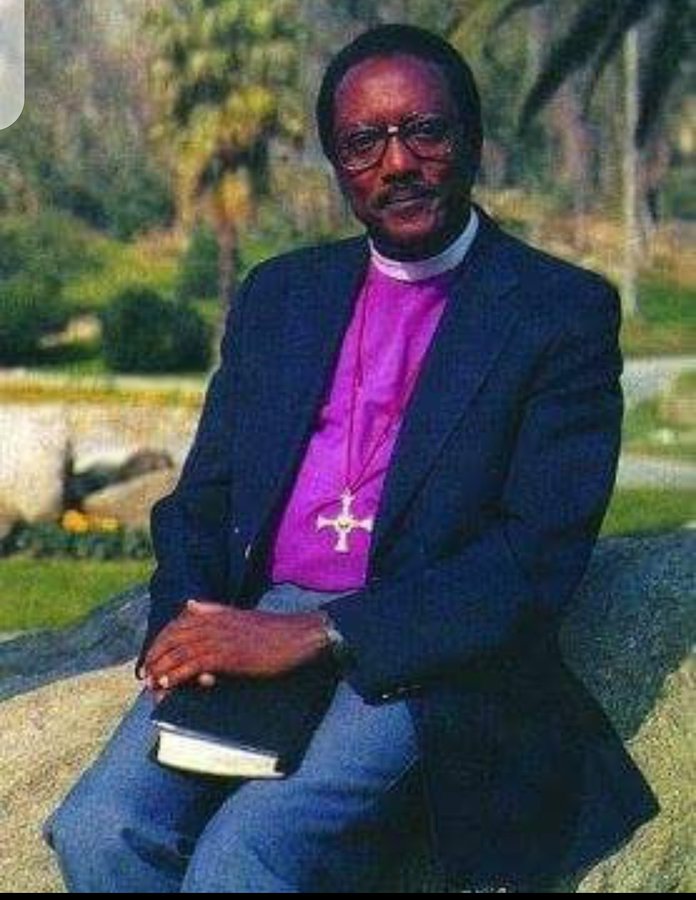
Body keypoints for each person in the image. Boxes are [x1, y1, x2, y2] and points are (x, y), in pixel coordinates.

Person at [45, 24, 659, 893]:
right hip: (259, 617)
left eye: (425, 131)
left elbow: (535, 558)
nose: (397, 162)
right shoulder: (283, 296)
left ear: (472, 139)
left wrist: (316, 633)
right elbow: (203, 500)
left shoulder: (557, 311)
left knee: (246, 856)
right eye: (364, 142)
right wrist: (190, 628)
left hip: (416, 642)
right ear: (337, 165)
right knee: (100, 830)